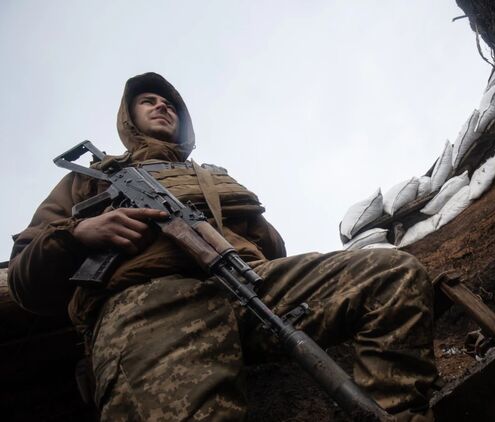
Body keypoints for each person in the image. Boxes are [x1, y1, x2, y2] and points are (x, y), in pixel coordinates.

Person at [8, 72, 438, 421]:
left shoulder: (214, 177)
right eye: (148, 101)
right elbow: (26, 281)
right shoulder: (90, 179)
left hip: (251, 286)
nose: (162, 106)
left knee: (391, 276)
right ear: (128, 118)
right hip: (149, 305)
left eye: (170, 104)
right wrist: (77, 234)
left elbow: (273, 248)